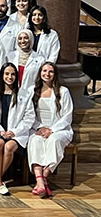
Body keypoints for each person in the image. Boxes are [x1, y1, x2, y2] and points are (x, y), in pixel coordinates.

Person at [28, 62, 73, 198]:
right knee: (35, 141)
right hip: (39, 128)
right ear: (40, 73)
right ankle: (40, 181)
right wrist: (40, 127)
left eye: (50, 71)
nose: (47, 74)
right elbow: (30, 114)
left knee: (53, 141)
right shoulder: (32, 90)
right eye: (44, 71)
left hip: (59, 129)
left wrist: (51, 130)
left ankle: (44, 176)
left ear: (55, 74)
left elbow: (67, 115)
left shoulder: (63, 91)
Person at [0, 63, 34, 194]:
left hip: (17, 133)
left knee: (9, 147)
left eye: (13, 74)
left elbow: (29, 118)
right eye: (7, 74)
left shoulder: (24, 94)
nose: (10, 77)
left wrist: (14, 132)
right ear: (2, 75)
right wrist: (0, 130)